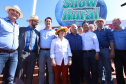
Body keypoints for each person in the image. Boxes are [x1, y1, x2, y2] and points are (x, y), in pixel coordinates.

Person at [0, 5, 24, 84]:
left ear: (19, 15)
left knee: (10, 79)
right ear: (8, 11)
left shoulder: (17, 26)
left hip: (14, 54)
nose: (15, 13)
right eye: (13, 11)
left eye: (17, 12)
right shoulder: (1, 21)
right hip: (1, 53)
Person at [15, 15, 41, 84]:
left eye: (38, 22)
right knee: (20, 73)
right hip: (22, 53)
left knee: (30, 74)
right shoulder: (21, 29)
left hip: (33, 55)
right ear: (31, 21)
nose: (37, 23)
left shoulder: (38, 33)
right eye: (36, 21)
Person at [94, 18, 114, 84]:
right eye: (98, 22)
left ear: (103, 23)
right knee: (100, 68)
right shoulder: (94, 32)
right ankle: (102, 82)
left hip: (106, 50)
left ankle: (110, 82)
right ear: (96, 24)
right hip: (97, 51)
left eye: (101, 21)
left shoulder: (108, 30)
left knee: (108, 68)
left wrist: (112, 51)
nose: (99, 22)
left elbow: (111, 41)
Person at [39, 17, 55, 84]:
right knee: (41, 71)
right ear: (45, 22)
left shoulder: (54, 32)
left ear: (51, 23)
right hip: (41, 52)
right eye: (47, 21)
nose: (48, 22)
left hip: (50, 52)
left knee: (50, 71)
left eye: (49, 21)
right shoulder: (40, 31)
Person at [112, 18, 126, 84]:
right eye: (113, 23)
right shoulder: (111, 32)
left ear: (120, 23)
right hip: (117, 53)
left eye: (115, 23)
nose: (114, 24)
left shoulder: (125, 30)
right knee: (118, 70)